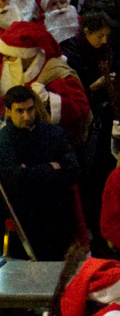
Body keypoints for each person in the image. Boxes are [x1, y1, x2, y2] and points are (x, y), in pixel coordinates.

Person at [0, 84, 79, 258]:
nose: (26, 116)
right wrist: (51, 167)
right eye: (20, 111)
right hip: (24, 219)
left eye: (30, 109)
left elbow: (72, 169)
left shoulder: (54, 133)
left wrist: (28, 171)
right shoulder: (3, 141)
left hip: (57, 216)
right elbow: (12, 179)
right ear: (9, 111)